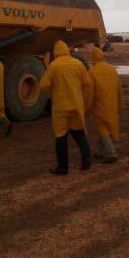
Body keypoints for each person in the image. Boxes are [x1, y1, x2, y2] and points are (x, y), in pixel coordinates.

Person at [40, 41, 92, 175]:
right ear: (67, 50)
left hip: (60, 106)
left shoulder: (54, 66)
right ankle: (86, 160)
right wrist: (83, 101)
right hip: (76, 104)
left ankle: (63, 167)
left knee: (60, 135)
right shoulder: (78, 64)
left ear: (56, 52)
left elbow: (43, 85)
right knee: (78, 132)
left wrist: (52, 95)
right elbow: (87, 83)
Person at [87, 46, 124, 163]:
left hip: (99, 106)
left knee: (103, 129)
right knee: (107, 128)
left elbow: (89, 92)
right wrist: (121, 103)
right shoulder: (112, 69)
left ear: (93, 57)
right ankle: (98, 151)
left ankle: (110, 153)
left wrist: (87, 107)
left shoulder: (92, 71)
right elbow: (119, 89)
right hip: (112, 105)